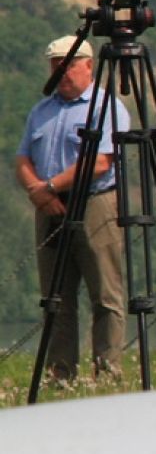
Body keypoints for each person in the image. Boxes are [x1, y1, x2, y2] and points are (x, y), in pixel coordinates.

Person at [15, 35, 129, 379]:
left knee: (105, 295)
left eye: (67, 66)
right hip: (49, 209)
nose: (60, 73)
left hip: (94, 203)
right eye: (55, 66)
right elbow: (22, 158)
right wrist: (40, 192)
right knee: (56, 298)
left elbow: (100, 162)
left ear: (89, 66)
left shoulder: (106, 107)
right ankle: (60, 373)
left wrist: (50, 186)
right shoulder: (42, 110)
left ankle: (107, 373)